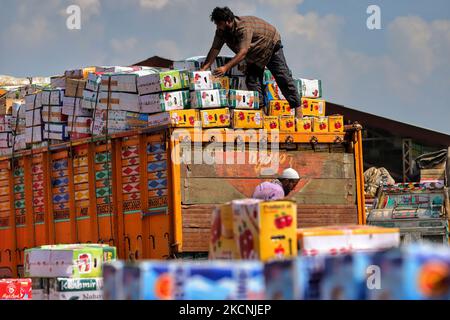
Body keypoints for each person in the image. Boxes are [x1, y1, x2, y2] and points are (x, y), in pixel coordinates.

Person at [200, 7, 301, 112]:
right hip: (254, 54)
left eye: (219, 24)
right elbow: (215, 48)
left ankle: (298, 110)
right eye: (216, 24)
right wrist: (203, 68)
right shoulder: (221, 31)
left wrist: (225, 68)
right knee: (252, 81)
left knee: (282, 76)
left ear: (228, 21)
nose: (218, 27)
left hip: (270, 45)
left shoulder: (243, 27)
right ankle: (261, 111)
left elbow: (243, 52)